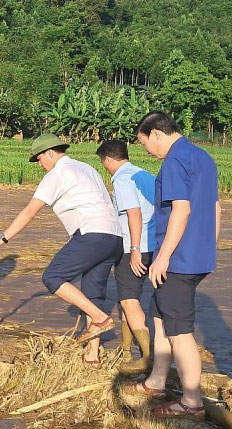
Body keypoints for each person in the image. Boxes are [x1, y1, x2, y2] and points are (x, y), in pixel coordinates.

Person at [0, 133, 123, 365]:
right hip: (114, 237)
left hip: (91, 233)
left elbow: (30, 210)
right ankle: (93, 356)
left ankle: (100, 318)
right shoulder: (86, 168)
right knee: (93, 293)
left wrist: (2, 238)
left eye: (39, 159)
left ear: (50, 153)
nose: (39, 165)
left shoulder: (57, 173)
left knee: (53, 277)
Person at [125, 111, 221, 421]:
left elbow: (181, 209)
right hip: (196, 255)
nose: (147, 152)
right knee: (159, 314)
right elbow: (216, 207)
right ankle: (156, 382)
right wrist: (207, 247)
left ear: (156, 133)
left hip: (178, 258)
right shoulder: (203, 157)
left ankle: (191, 402)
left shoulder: (175, 160)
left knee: (179, 330)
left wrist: (164, 256)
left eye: (144, 144)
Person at [97, 139, 155, 373]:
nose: (105, 168)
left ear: (109, 160)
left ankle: (147, 358)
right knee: (126, 296)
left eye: (104, 164)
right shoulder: (146, 175)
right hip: (155, 244)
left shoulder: (122, 179)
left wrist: (133, 250)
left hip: (135, 245)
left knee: (129, 300)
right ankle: (125, 347)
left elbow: (134, 213)